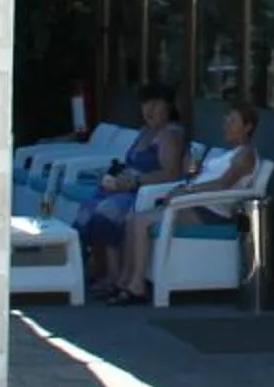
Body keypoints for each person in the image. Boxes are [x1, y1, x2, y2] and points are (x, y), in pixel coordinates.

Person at [99, 100, 259, 304]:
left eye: (233, 120)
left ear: (248, 127)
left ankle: (136, 286)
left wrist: (187, 190)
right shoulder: (225, 153)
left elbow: (223, 184)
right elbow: (199, 177)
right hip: (193, 203)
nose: (226, 124)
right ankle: (124, 281)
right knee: (132, 218)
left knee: (140, 221)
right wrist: (191, 174)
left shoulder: (245, 155)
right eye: (226, 119)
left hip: (210, 211)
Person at [78, 83, 187, 288]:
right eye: (146, 104)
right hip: (124, 187)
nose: (149, 110)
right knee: (87, 207)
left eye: (155, 104)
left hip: (144, 194)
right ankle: (98, 266)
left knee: (107, 210)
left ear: (169, 107)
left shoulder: (170, 134)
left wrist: (133, 182)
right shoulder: (146, 131)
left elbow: (170, 174)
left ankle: (114, 275)